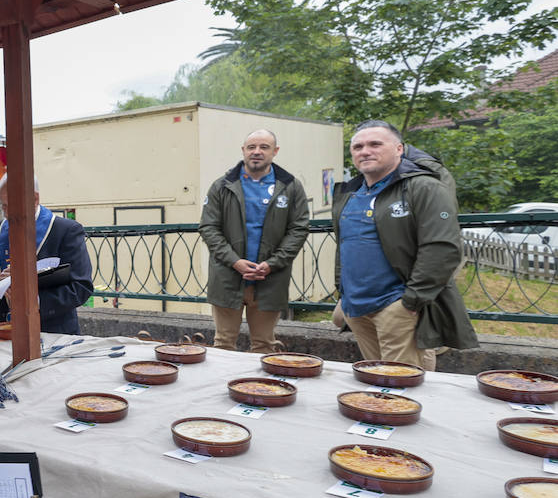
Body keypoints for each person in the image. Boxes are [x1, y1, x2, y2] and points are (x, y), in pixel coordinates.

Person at [332, 120, 478, 368]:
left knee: (404, 388)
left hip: (396, 306)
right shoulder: (350, 193)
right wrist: (343, 290)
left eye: (375, 144)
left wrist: (411, 301)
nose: (365, 151)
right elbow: (345, 245)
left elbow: (442, 249)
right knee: (378, 379)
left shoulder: (424, 187)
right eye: (357, 147)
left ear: (399, 149)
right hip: (356, 306)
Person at [197, 129, 311, 353]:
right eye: (251, 147)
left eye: (264, 147)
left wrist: (272, 264)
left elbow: (298, 229)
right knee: (223, 343)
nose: (257, 152)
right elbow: (208, 227)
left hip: (270, 279)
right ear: (243, 151)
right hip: (227, 277)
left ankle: (259, 388)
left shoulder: (290, 186)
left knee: (264, 344)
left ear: (275, 151)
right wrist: (234, 261)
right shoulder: (222, 185)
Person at [0, 174, 95, 334]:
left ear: (35, 199)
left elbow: (81, 287)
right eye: (3, 206)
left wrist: (33, 300)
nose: (7, 214)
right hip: (2, 331)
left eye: (12, 206)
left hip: (53, 332)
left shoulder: (66, 231)